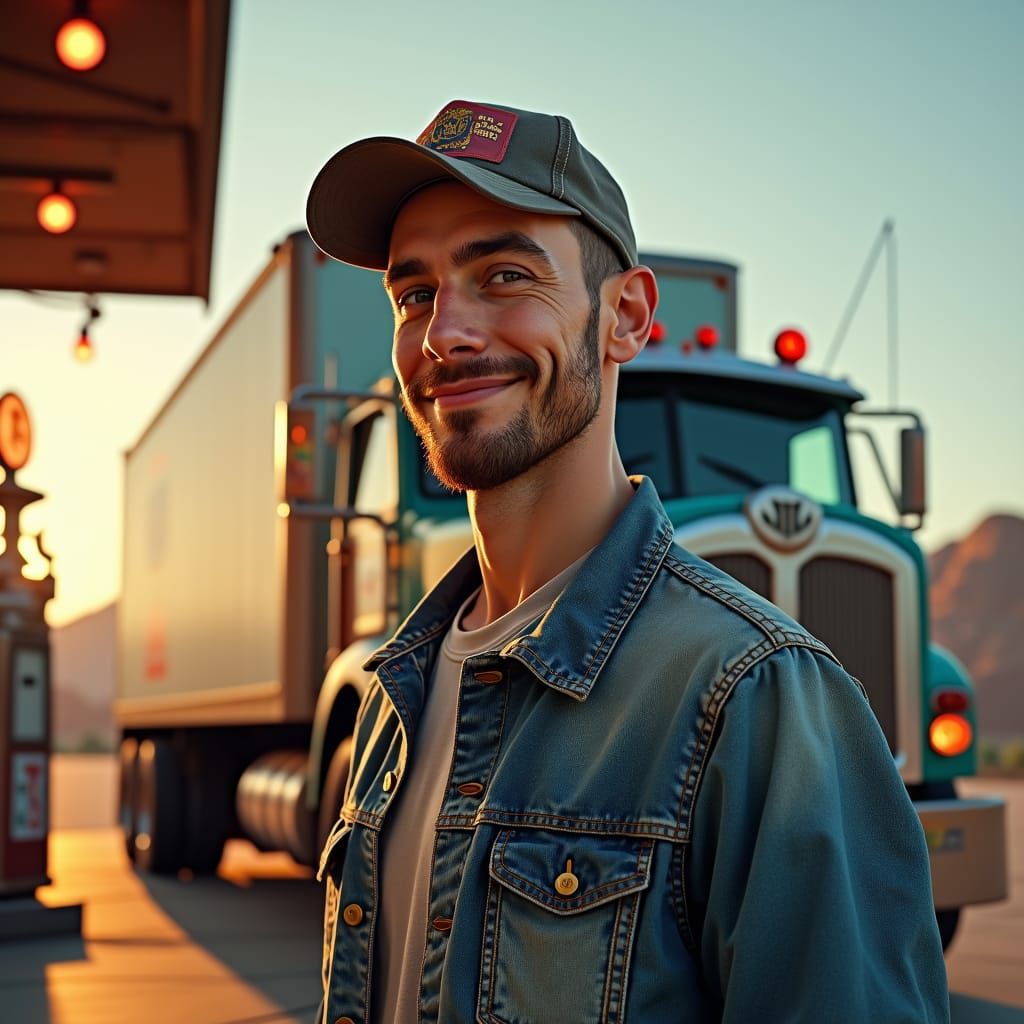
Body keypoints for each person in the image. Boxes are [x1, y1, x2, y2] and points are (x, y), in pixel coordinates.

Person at [305, 100, 949, 1024]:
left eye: (504, 275)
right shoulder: (392, 694)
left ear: (626, 316)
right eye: (415, 295)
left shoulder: (758, 699)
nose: (444, 332)